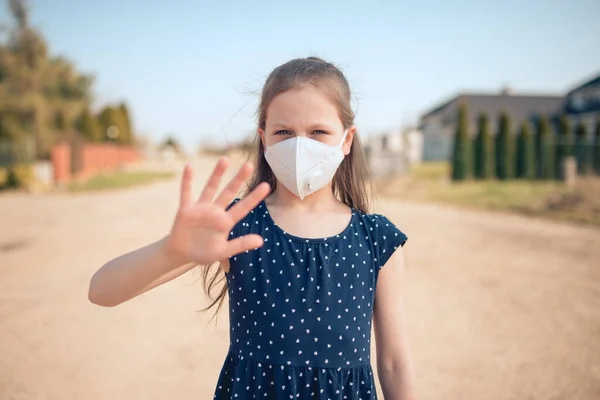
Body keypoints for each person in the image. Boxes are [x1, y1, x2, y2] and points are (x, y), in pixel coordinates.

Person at [88, 56, 417, 399]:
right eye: (283, 132)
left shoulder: (376, 240)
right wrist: (171, 250)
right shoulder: (237, 226)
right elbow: (101, 291)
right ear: (264, 139)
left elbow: (394, 363)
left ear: (347, 140)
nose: (299, 145)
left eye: (318, 132)